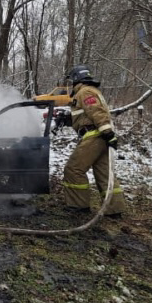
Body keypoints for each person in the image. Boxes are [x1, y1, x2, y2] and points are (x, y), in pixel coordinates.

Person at [62, 64, 126, 216]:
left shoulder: (85, 92)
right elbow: (86, 115)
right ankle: (114, 210)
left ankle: (79, 206)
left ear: (77, 78)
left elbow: (96, 112)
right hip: (101, 136)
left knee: (74, 169)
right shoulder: (91, 91)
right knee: (104, 173)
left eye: (72, 81)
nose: (71, 84)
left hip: (94, 136)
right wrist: (68, 119)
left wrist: (107, 132)